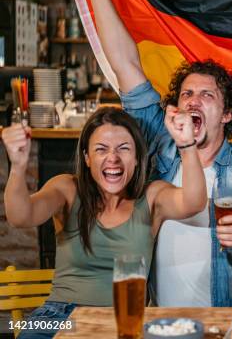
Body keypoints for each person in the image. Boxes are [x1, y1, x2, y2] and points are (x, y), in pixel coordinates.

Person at [77, 0, 232, 307]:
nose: (193, 101)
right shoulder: (159, 140)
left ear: (226, 115)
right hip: (159, 321)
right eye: (187, 95)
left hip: (229, 322)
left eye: (207, 96)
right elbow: (125, 63)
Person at [1, 107, 206, 338]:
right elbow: (20, 216)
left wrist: (188, 147)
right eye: (101, 149)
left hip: (124, 321)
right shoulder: (67, 188)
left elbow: (193, 202)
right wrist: (18, 166)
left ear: (138, 158)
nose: (113, 158)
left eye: (124, 149)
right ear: (87, 158)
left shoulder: (152, 197)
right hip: (58, 317)